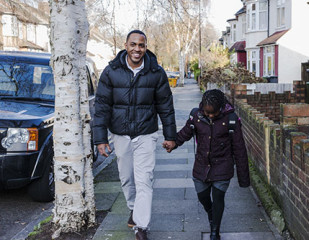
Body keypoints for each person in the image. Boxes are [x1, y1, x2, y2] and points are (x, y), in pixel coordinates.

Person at [93, 30, 176, 240]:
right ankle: (134, 207)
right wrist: (100, 139)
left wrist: (170, 135)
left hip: (146, 134)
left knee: (144, 180)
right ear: (126, 45)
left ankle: (141, 226)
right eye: (133, 45)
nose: (137, 49)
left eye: (141, 45)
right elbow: (102, 106)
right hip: (120, 135)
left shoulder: (156, 72)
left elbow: (165, 106)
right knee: (127, 178)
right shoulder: (111, 71)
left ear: (146, 47)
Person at [164, 89, 250, 240]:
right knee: (203, 196)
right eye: (207, 112)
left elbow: (239, 148)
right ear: (202, 106)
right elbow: (185, 133)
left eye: (213, 113)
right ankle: (212, 213)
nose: (210, 115)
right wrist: (173, 143)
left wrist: (244, 179)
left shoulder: (231, 119)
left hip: (223, 166)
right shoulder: (196, 116)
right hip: (201, 166)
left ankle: (214, 231)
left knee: (218, 198)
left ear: (221, 108)